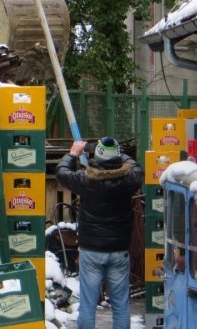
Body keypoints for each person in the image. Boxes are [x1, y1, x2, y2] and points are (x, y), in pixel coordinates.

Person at [55, 137, 143, 329]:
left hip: (91, 251)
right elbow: (136, 168)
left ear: (98, 156)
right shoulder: (129, 180)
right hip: (119, 251)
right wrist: (119, 153)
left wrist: (73, 153)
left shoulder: (86, 179)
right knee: (120, 306)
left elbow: (62, 172)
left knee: (87, 306)